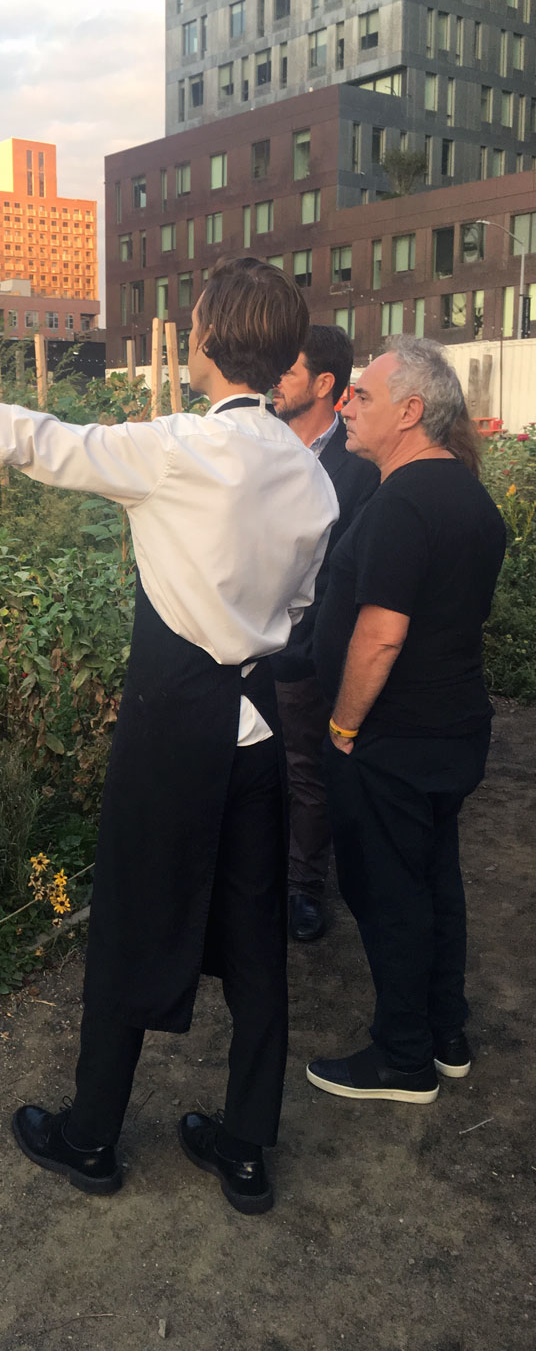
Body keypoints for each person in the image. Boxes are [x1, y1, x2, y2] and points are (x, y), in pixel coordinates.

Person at [0, 258, 337, 1214]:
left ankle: (91, 1138)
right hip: (254, 733)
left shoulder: (172, 450)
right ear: (288, 356)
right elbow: (298, 609)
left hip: (173, 727)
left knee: (129, 922)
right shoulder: (313, 477)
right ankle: (245, 1150)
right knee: (255, 945)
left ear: (203, 338)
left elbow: (27, 437)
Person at [308, 337, 506, 1104]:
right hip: (452, 727)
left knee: (389, 893)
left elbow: (382, 633)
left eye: (361, 395)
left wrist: (344, 727)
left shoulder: (402, 502)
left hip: (391, 739)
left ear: (411, 411)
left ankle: (402, 1058)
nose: (347, 406)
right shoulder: (469, 498)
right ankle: (444, 1032)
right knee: (432, 883)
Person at [271, 326, 379, 943]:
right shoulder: (261, 448)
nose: (275, 381)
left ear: (323, 384)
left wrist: (312, 650)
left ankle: (305, 886)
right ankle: (260, 874)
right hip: (244, 644)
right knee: (258, 765)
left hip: (307, 651)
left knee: (305, 770)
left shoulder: (356, 469)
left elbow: (351, 571)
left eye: (289, 371)